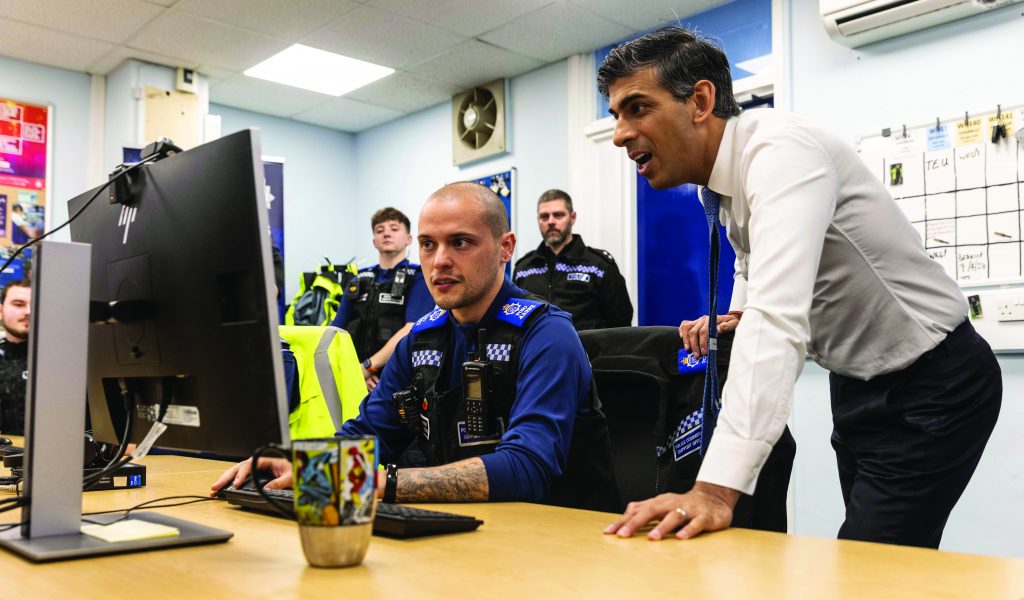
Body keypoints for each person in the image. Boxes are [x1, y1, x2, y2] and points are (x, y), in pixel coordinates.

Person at [599, 27, 1001, 548]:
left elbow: (779, 321)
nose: (619, 134)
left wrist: (717, 490)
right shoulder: (722, 181)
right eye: (615, 116)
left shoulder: (782, 153)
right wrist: (737, 312)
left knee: (871, 564)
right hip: (857, 384)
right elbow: (752, 262)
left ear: (700, 100)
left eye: (636, 108)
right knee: (882, 559)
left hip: (934, 381)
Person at [213, 183, 618, 511]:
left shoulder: (547, 334)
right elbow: (370, 435)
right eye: (427, 244)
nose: (439, 260)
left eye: (460, 243)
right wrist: (303, 465)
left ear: (505, 247)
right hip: (460, 535)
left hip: (556, 547)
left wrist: (376, 484)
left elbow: (528, 467)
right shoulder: (420, 339)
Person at [331, 207, 433, 391]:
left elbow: (411, 329)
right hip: (351, 374)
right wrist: (354, 370)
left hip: (394, 378)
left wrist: (369, 367)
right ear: (374, 241)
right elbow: (335, 331)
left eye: (394, 228)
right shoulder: (359, 279)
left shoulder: (419, 277)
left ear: (409, 239)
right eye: (380, 230)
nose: (386, 233)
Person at [513, 189, 633, 330]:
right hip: (536, 351)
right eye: (544, 216)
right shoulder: (523, 269)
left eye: (558, 215)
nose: (551, 221)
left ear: (573, 217)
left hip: (587, 351)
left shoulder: (599, 266)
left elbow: (620, 325)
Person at [0, 278, 31, 435]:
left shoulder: (62, 361)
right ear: (0, 311)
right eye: (19, 304)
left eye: (35, 305)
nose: (29, 311)